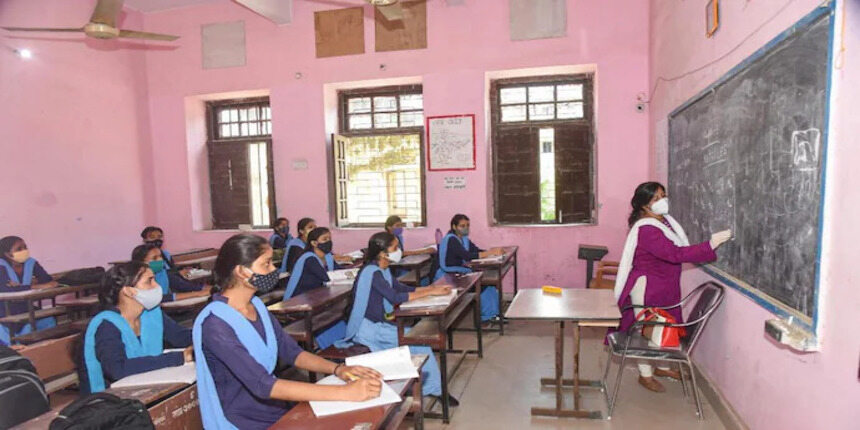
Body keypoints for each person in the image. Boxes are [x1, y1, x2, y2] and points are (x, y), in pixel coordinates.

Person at [194, 234, 382, 429]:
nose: (274, 269)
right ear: (242, 271)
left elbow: (292, 353)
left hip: (271, 408)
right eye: (266, 264)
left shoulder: (256, 306)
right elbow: (263, 384)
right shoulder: (215, 323)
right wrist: (344, 393)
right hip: (243, 420)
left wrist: (338, 369)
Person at [613, 182, 731, 393]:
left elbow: (676, 252)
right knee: (647, 328)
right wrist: (710, 245)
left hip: (664, 284)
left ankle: (663, 367)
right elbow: (675, 254)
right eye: (656, 198)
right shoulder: (647, 228)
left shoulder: (664, 221)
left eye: (663, 196)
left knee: (665, 325)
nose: (662, 201)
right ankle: (645, 374)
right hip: (648, 286)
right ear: (644, 205)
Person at [337, 232, 457, 405]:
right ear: (382, 253)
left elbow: (400, 287)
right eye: (395, 248)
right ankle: (432, 390)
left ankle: (428, 389)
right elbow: (395, 297)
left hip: (379, 325)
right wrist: (430, 291)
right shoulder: (372, 272)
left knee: (416, 344)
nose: (398, 251)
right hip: (368, 329)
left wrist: (431, 289)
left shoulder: (383, 270)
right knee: (419, 343)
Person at [80, 262, 193, 393]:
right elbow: (117, 369)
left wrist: (210, 336)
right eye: (149, 281)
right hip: (110, 400)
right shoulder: (107, 325)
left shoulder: (151, 314)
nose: (157, 286)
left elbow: (181, 336)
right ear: (129, 291)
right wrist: (180, 357)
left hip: (147, 384)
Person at [282, 227, 346, 349]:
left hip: (316, 296)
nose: (328, 241)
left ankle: (337, 345)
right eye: (324, 239)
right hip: (299, 300)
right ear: (314, 243)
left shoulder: (327, 257)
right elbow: (326, 277)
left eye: (329, 238)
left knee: (336, 312)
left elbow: (339, 271)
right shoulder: (309, 258)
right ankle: (329, 348)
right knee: (328, 315)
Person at [434, 214, 505, 321]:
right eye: (462, 226)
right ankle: (487, 317)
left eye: (467, 225)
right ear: (454, 227)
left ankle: (494, 314)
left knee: (489, 284)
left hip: (460, 272)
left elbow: (475, 251)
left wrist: (493, 253)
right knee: (483, 285)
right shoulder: (451, 240)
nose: (466, 228)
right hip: (448, 275)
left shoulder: (464, 239)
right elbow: (467, 256)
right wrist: (489, 252)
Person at [0, 236, 58, 345]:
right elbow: (3, 288)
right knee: (23, 324)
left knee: (48, 320)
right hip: (4, 309)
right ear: (7, 254)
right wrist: (32, 286)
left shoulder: (30, 262)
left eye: (25, 247)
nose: (24, 251)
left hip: (25, 306)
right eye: (19, 249)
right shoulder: (1, 265)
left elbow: (47, 280)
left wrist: (19, 287)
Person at [131, 244, 210, 302]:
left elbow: (185, 286)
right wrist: (197, 294)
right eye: (154, 258)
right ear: (141, 262)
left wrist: (214, 289)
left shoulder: (162, 273)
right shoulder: (135, 280)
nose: (160, 260)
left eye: (160, 256)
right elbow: (158, 298)